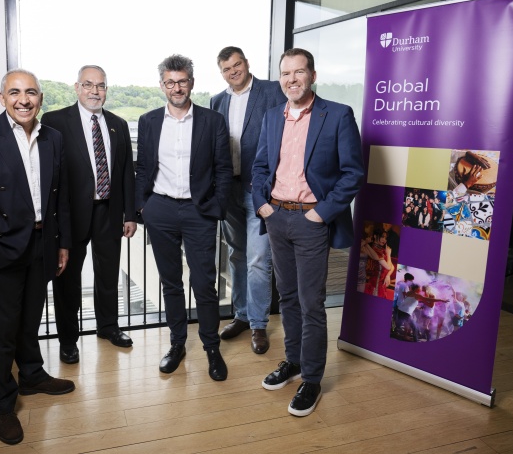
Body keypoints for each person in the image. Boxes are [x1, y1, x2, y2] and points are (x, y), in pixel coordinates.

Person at [0, 69, 75, 445]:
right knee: (2, 332)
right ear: (2, 97)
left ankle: (33, 375)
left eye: (31, 93)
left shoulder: (52, 137)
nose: (24, 100)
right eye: (15, 92)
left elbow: (60, 198)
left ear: (41, 98)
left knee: (29, 321)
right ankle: (3, 405)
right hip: (1, 247)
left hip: (42, 245)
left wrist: (62, 244)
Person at [252, 48, 364, 417]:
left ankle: (312, 379)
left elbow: (353, 173)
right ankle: (294, 361)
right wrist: (263, 205)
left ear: (312, 76)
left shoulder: (338, 115)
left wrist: (321, 213)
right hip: (276, 217)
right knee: (285, 298)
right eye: (286, 73)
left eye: (299, 72)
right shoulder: (272, 116)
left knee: (311, 303)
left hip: (310, 220)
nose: (292, 80)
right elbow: (260, 167)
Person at [135, 54, 232, 381]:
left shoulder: (212, 121)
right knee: (170, 281)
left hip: (199, 210)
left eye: (183, 81)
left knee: (204, 282)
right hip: (160, 209)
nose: (177, 87)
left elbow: (223, 169)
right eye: (170, 82)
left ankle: (211, 347)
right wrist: (144, 206)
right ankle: (177, 344)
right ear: (162, 84)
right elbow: (143, 169)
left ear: (192, 82)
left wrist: (216, 207)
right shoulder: (148, 121)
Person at [41, 65, 137, 364]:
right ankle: (68, 340)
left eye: (101, 85)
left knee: (108, 274)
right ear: (76, 87)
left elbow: (125, 173)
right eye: (88, 85)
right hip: (70, 215)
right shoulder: (54, 121)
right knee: (67, 278)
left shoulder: (118, 124)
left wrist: (130, 213)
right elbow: (50, 175)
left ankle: (108, 327)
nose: (95, 91)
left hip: (108, 211)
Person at [209, 46, 287, 354]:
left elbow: (285, 135)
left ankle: (258, 324)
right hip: (228, 190)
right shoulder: (217, 101)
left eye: (237, 65)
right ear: (222, 73)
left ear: (246, 63)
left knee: (257, 258)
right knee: (237, 255)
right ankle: (241, 315)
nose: (233, 72)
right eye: (227, 69)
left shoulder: (271, 91)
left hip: (260, 190)